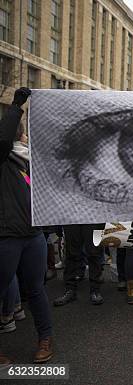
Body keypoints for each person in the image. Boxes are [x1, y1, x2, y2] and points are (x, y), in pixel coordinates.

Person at [0, 87, 53, 364]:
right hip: (6, 237)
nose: (24, 136)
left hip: (34, 235)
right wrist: (16, 106)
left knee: (36, 289)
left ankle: (45, 339)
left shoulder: (28, 161)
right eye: (20, 132)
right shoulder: (3, 158)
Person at [53, 223, 105, 306]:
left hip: (94, 217)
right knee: (71, 253)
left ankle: (95, 290)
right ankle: (70, 289)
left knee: (95, 253)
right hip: (72, 217)